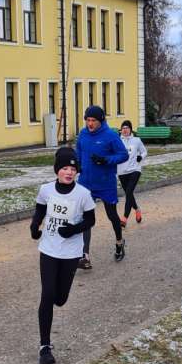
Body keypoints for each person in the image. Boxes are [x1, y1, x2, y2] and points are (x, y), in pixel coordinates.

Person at [30, 147, 97, 364]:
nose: (69, 172)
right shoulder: (46, 190)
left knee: (60, 299)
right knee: (47, 295)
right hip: (49, 249)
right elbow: (40, 210)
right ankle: (44, 347)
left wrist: (73, 230)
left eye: (73, 169)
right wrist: (34, 225)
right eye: (65, 168)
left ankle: (58, 299)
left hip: (71, 252)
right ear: (57, 170)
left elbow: (91, 220)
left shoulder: (83, 194)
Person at [74, 105, 129, 268]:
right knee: (85, 218)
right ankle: (85, 256)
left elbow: (123, 155)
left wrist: (106, 160)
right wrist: (77, 165)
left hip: (105, 183)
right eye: (88, 120)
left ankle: (119, 241)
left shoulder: (110, 135)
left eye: (93, 121)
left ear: (101, 121)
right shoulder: (83, 134)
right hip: (86, 183)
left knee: (112, 215)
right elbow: (79, 152)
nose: (90, 124)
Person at [116, 120, 147, 226]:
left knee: (129, 192)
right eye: (123, 128)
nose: (125, 130)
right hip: (122, 171)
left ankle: (124, 218)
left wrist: (141, 157)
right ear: (121, 130)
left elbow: (144, 151)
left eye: (127, 128)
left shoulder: (136, 140)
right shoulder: (117, 141)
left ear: (130, 129)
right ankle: (137, 209)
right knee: (129, 194)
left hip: (135, 170)